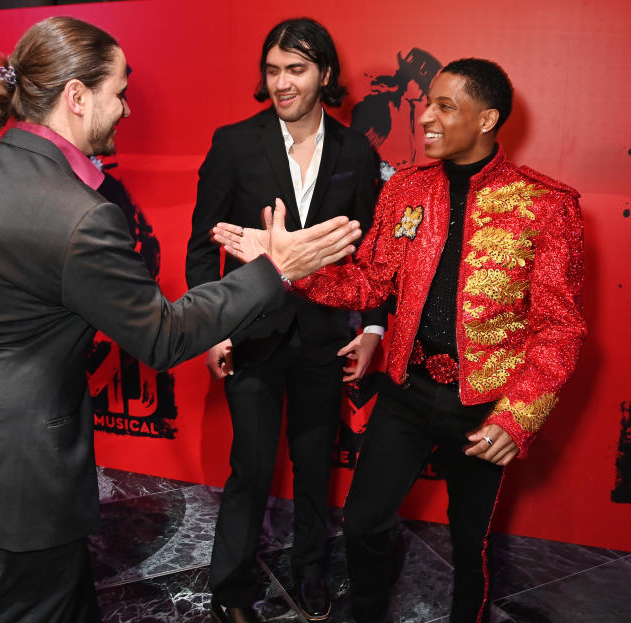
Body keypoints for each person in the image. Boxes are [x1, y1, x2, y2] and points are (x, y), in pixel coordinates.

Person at [0, 16, 362, 623]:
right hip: (24, 479)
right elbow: (162, 335)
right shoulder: (79, 214)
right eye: (119, 91)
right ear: (77, 96)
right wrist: (274, 270)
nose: (127, 108)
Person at [214, 58, 587, 623]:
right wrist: (284, 264)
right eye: (427, 103)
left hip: (483, 405)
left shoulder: (547, 205)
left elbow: (559, 328)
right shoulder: (407, 189)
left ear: (487, 119)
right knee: (364, 522)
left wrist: (518, 418)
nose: (427, 118)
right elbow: (371, 280)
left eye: (445, 107)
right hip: (406, 392)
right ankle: (365, 612)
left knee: (470, 546)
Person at [185, 17, 384, 623]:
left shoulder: (357, 151)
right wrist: (212, 327)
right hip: (251, 333)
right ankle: (231, 590)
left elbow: (376, 253)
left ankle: (311, 573)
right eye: (272, 70)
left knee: (315, 462)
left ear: (325, 74)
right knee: (250, 466)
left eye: (295, 69)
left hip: (325, 338)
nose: (281, 82)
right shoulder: (234, 143)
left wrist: (372, 329)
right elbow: (202, 247)